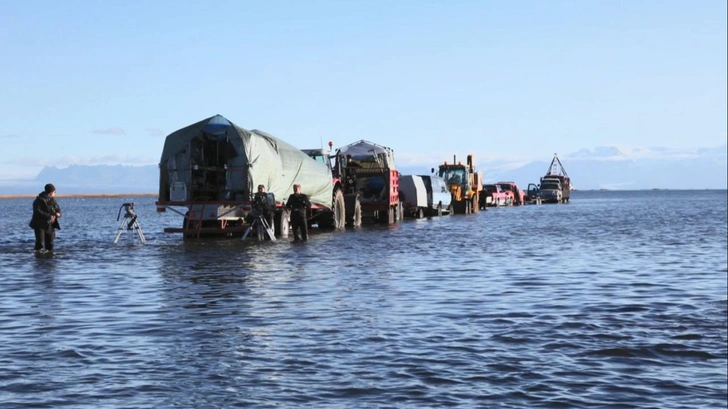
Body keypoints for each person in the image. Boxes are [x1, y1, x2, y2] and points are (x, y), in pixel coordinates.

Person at [28, 183, 61, 253]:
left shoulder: (53, 200)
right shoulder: (38, 200)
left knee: (50, 244)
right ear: (51, 192)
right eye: (55, 192)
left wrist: (58, 214)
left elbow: (57, 209)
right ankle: (39, 259)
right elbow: (37, 212)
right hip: (39, 224)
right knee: (40, 244)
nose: (55, 194)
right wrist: (49, 216)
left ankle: (49, 259)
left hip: (50, 225)